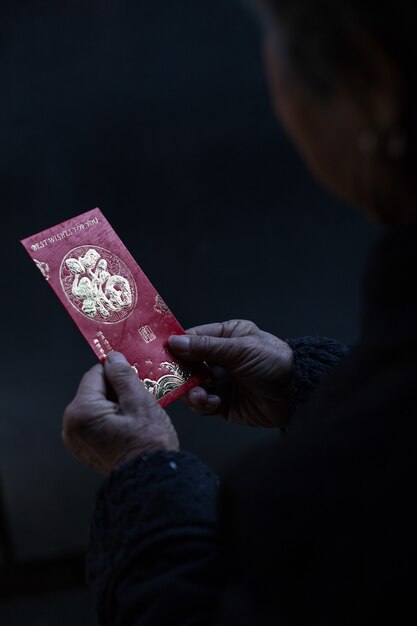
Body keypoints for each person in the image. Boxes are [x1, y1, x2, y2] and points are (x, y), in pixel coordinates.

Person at [62, 1, 417, 624]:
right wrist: (310, 385)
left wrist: (143, 474)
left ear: (370, 79)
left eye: (273, 42)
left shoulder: (317, 501)